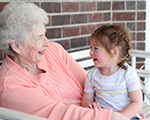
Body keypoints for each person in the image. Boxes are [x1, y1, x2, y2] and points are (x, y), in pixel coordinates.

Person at [0, 2, 132, 120]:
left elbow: (90, 83)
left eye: (45, 34)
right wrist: (112, 116)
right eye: (39, 38)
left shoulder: (54, 51)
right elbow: (60, 114)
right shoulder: (10, 87)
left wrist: (123, 108)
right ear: (16, 46)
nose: (47, 43)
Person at [81, 25, 143, 120]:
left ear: (114, 52)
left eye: (96, 48)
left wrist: (120, 118)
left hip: (127, 117)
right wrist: (89, 104)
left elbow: (137, 103)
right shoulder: (92, 75)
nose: (91, 52)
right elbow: (86, 99)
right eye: (91, 48)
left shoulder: (128, 73)